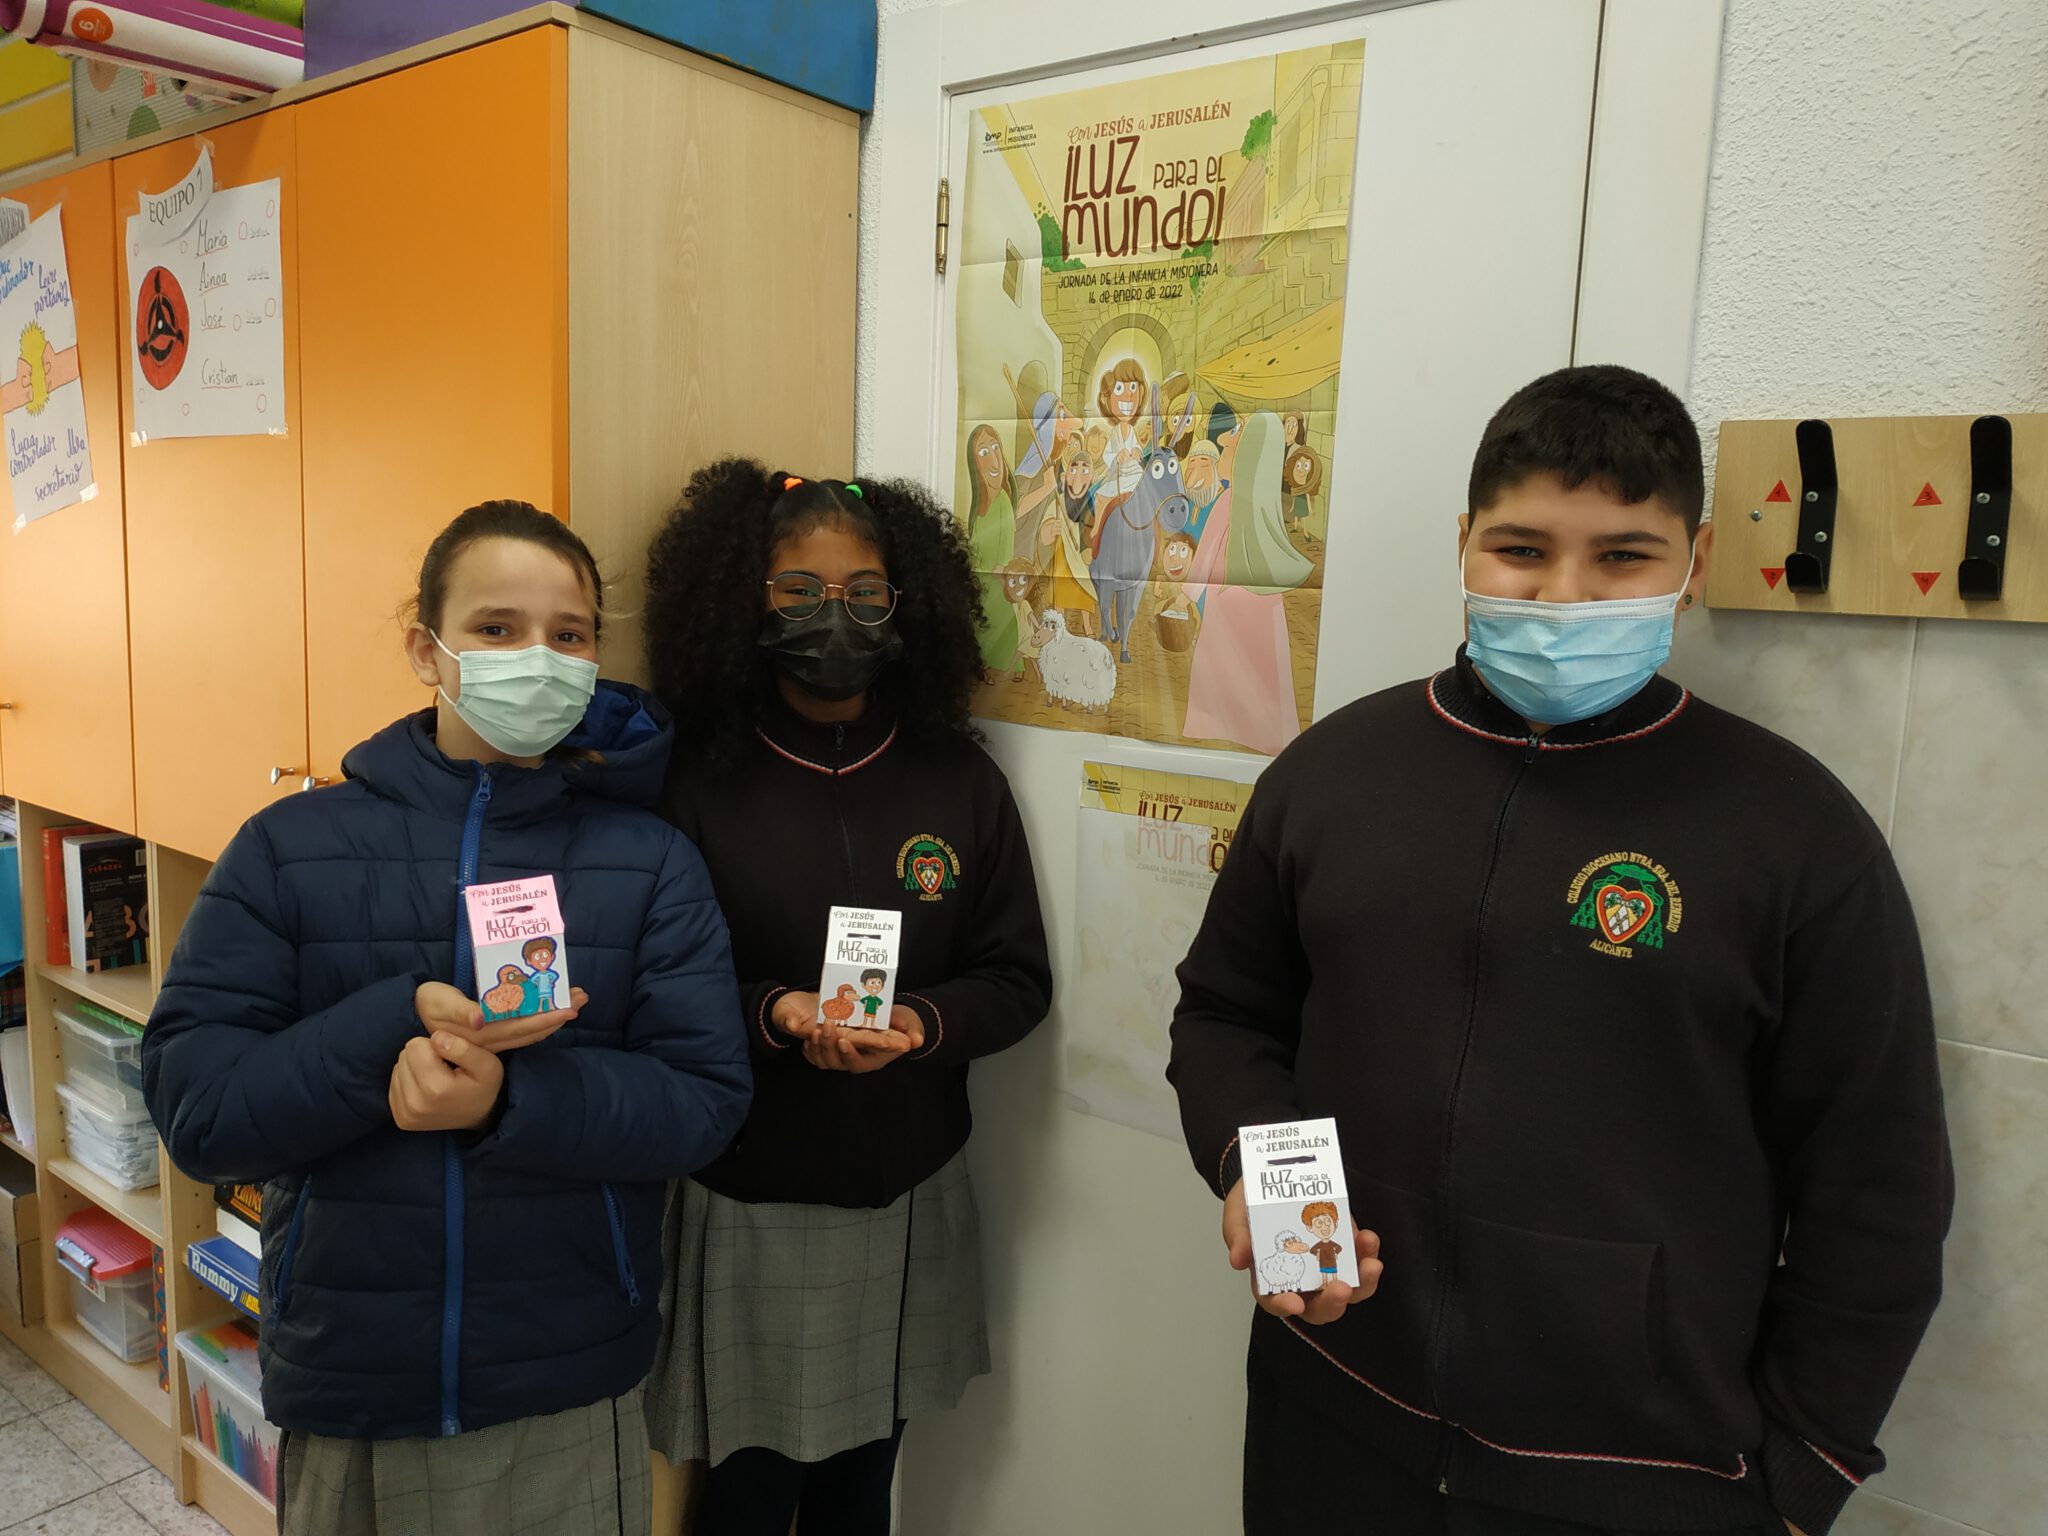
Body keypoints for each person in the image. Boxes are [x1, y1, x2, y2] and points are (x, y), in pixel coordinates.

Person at [1167, 365, 1952, 1536]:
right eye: (1520, 550)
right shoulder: (1330, 776)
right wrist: (1263, 1176)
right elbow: (1227, 1015)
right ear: (1462, 545)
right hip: (1327, 1421)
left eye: (1621, 556)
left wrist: (1804, 1475)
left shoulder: (1793, 832)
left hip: (1641, 1481)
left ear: (1691, 565)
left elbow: (1876, 1182)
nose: (1563, 595)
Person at [142, 500, 751, 1536]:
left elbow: (702, 1103)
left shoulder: (648, 862)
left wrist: (506, 1102)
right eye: (497, 628)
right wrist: (387, 1030)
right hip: (354, 1373)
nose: (538, 659)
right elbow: (201, 1114)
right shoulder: (287, 848)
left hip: (565, 1374)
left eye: (569, 635)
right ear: (426, 649)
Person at [640, 464, 1054, 1536]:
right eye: (799, 590)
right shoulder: (693, 781)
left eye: (864, 592)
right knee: (745, 1497)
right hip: (750, 1199)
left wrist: (923, 1025)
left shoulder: (959, 780)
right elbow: (652, 988)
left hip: (909, 1189)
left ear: (905, 605)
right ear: (746, 601)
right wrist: (773, 1013)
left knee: (861, 1493)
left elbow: (1017, 980)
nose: (836, 616)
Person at [1181, 411, 1315, 756]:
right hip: (1263, 607)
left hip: (1226, 605)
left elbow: (1205, 557)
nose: (1223, 451)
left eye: (1230, 447)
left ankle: (1213, 724)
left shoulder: (1229, 501)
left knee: (1220, 668)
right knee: (1265, 671)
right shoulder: (1265, 506)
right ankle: (1268, 732)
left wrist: (1184, 598)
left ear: (1247, 456)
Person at [963, 422, 1021, 675]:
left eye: (995, 447)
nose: (993, 458)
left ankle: (1011, 664)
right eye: (983, 451)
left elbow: (1006, 541)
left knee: (997, 622)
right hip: (979, 580)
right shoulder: (980, 506)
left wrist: (1001, 567)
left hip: (994, 580)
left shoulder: (1003, 502)